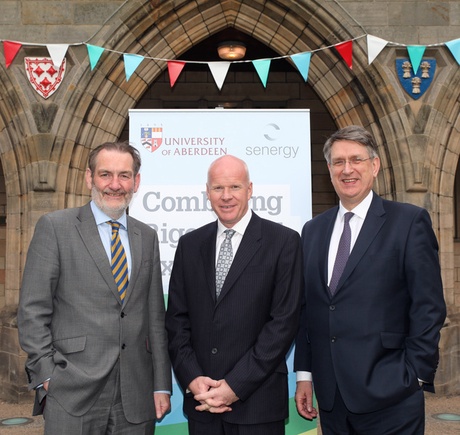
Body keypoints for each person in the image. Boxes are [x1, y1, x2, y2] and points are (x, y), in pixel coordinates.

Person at [294, 125, 446, 434]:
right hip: (332, 398)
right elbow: (308, 310)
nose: (347, 169)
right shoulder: (313, 230)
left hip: (391, 395)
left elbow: (428, 306)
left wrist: (416, 374)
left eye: (356, 160)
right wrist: (305, 375)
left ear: (374, 166)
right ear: (329, 169)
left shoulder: (408, 222)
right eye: (338, 162)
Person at [18, 141, 171, 434]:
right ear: (90, 178)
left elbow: (155, 319)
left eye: (124, 175)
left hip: (135, 394)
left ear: (136, 182)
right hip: (71, 390)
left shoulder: (147, 236)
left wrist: (161, 385)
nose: (115, 185)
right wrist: (47, 375)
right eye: (105, 175)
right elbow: (32, 310)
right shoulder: (55, 227)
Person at [165, 155, 302, 435]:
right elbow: (177, 320)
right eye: (218, 188)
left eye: (235, 187)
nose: (226, 197)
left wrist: (234, 386)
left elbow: (283, 324)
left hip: (258, 405)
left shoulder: (284, 242)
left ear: (250, 189)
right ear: (207, 192)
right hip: (202, 406)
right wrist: (192, 379)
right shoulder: (189, 245)